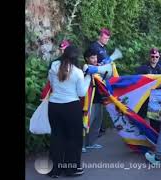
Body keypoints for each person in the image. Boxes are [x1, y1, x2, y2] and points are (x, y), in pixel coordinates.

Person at [47, 45, 92, 178]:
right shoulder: (77, 72)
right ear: (76, 58)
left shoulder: (54, 65)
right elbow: (81, 92)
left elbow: (51, 82)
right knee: (73, 138)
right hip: (71, 107)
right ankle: (71, 169)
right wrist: (88, 77)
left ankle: (55, 170)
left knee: (57, 137)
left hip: (54, 105)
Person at [89, 28, 112, 135]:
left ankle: (98, 129)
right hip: (95, 79)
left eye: (108, 38)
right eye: (105, 37)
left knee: (100, 104)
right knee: (95, 104)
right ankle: (90, 132)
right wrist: (98, 65)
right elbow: (89, 60)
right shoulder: (94, 47)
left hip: (102, 79)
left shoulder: (103, 48)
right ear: (100, 36)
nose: (107, 39)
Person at [136, 48, 161, 132]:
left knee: (155, 121)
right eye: (152, 56)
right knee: (140, 117)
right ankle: (138, 136)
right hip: (144, 97)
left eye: (156, 57)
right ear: (149, 57)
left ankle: (154, 137)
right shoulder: (142, 68)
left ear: (159, 57)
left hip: (155, 98)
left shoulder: (160, 69)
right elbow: (136, 81)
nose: (154, 58)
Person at [82, 49, 104, 153]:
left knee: (97, 122)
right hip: (89, 100)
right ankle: (81, 144)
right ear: (87, 59)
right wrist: (102, 67)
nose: (95, 59)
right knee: (86, 122)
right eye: (92, 57)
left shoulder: (98, 67)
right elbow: (91, 70)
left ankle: (91, 142)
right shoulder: (85, 67)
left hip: (99, 99)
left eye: (95, 57)